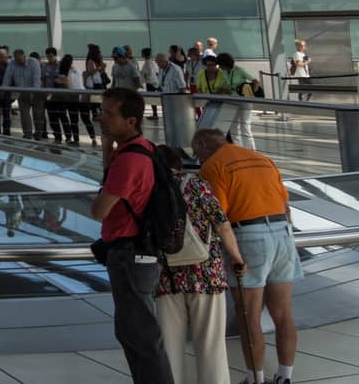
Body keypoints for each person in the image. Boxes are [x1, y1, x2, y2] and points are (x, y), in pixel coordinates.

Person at [194, 127, 299, 384]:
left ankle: (255, 379)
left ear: (204, 145)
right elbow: (285, 205)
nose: (197, 160)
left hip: (248, 237)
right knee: (283, 313)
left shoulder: (213, 166)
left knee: (248, 315)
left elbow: (219, 216)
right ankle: (285, 376)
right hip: (282, 235)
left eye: (197, 154)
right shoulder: (262, 159)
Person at [90, 87, 172, 383]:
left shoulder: (128, 161)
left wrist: (102, 192)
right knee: (131, 332)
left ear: (131, 121)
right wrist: (107, 147)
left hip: (130, 254)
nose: (102, 118)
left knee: (142, 336)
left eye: (110, 114)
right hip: (135, 252)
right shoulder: (142, 148)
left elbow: (99, 210)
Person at [154, 143, 240, 384]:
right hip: (206, 274)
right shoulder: (196, 185)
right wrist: (236, 257)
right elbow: (222, 224)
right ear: (179, 164)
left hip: (165, 277)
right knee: (211, 344)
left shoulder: (149, 189)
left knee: (169, 347)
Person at [216, 52, 259, 150]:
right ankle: (239, 150)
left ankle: (251, 151)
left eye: (220, 65)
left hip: (244, 101)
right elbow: (226, 86)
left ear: (225, 63)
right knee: (233, 128)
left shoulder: (239, 70)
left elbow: (255, 81)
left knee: (245, 127)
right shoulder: (224, 73)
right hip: (232, 101)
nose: (220, 67)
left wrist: (252, 93)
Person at [1, 49, 42, 140]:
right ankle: (28, 134)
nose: (18, 62)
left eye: (20, 60)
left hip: (36, 91)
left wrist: (34, 92)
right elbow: (7, 78)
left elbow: (37, 79)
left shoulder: (33, 62)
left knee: (38, 114)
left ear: (24, 56)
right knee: (24, 114)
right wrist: (3, 90)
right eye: (16, 60)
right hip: (22, 92)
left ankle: (38, 134)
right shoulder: (12, 63)